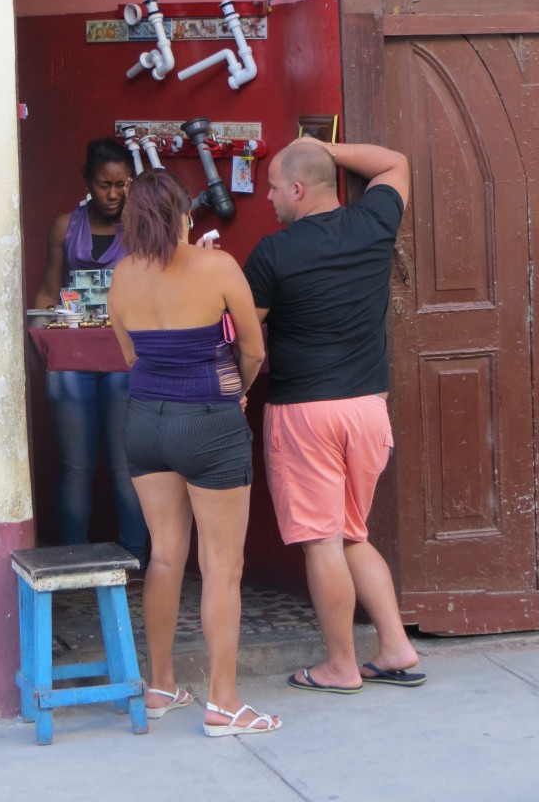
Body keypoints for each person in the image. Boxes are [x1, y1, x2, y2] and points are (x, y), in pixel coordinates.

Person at [242, 137, 426, 692]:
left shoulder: (272, 253)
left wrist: (239, 388)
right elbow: (397, 161)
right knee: (351, 533)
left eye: (274, 185)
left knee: (322, 540)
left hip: (305, 413)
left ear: (297, 190)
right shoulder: (372, 223)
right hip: (368, 408)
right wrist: (325, 146)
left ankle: (341, 665)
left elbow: (247, 339)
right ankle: (394, 647)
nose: (269, 196)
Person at [107, 169, 281, 737]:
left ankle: (159, 686)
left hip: (145, 423)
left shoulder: (122, 277)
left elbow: (132, 356)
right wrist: (240, 389)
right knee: (221, 566)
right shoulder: (218, 266)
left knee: (164, 556)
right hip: (209, 421)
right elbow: (253, 350)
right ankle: (224, 702)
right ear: (185, 215)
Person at [33, 137, 148, 567]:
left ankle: (134, 560)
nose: (115, 194)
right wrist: (38, 342)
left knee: (125, 465)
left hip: (126, 359)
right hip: (71, 360)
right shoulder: (66, 226)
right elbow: (48, 289)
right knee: (75, 466)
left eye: (123, 185)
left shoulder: (141, 227)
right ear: (88, 181)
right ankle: (73, 560)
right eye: (105, 185)